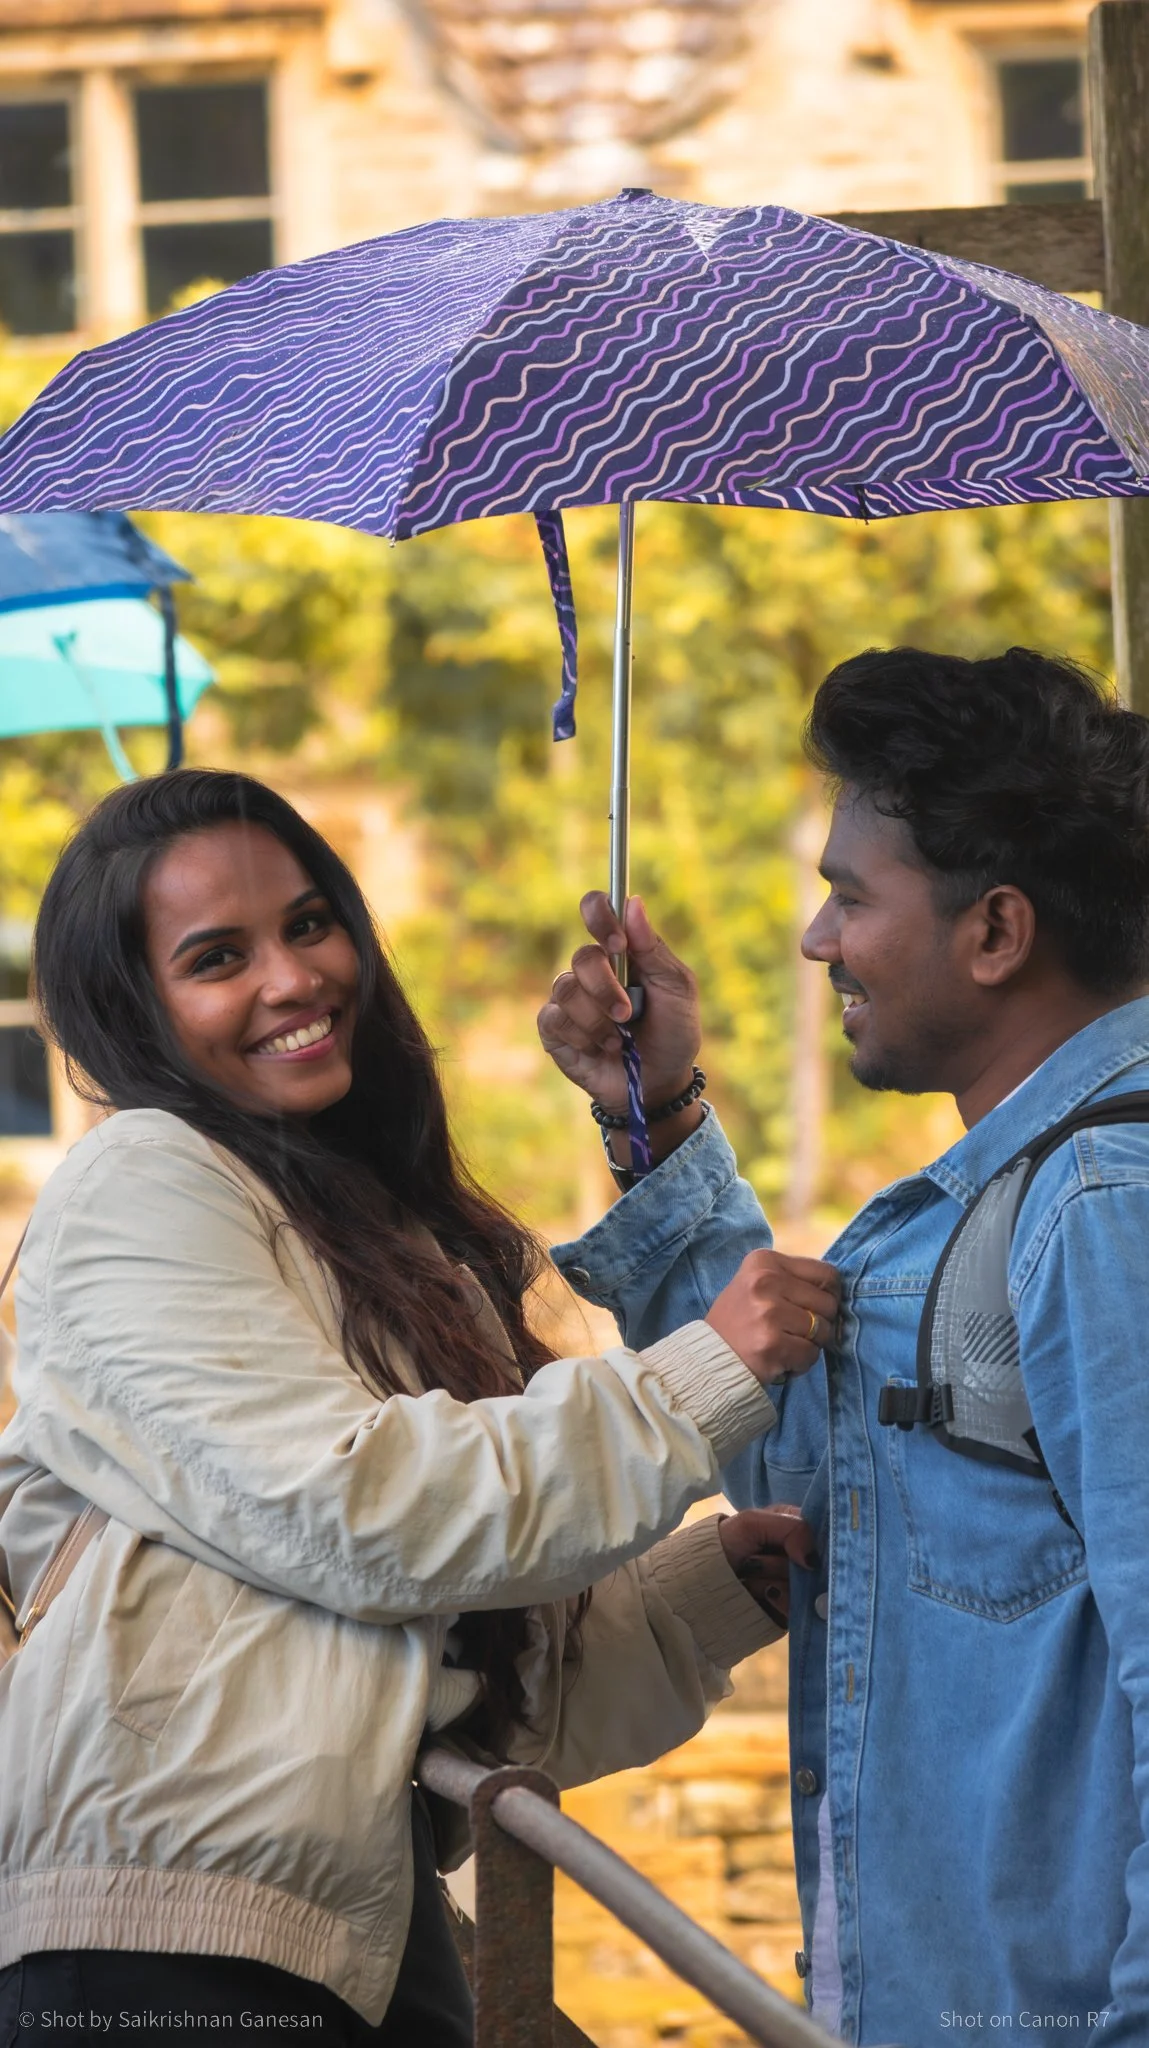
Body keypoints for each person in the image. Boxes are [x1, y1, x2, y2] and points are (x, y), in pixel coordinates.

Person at [0, 769, 840, 2045]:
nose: (291, 978)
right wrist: (701, 1375)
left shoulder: (374, 1228)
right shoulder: (140, 1183)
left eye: (308, 922)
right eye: (218, 956)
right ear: (137, 1010)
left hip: (354, 1927)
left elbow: (493, 1694)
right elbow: (362, 1512)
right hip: (165, 1951)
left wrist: (712, 1585)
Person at [540, 646, 1149, 2048]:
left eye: (848, 897)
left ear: (994, 932)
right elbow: (843, 1476)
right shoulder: (1001, 1205)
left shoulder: (1105, 1209)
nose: (818, 941)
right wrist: (660, 1110)